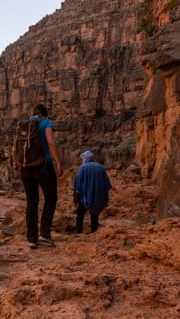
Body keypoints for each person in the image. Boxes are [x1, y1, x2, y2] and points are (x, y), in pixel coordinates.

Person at [12, 103, 63, 248]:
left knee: (31, 202)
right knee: (51, 198)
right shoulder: (46, 122)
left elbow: (14, 148)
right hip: (43, 166)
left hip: (25, 168)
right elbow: (51, 143)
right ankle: (45, 234)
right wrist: (58, 162)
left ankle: (32, 239)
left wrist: (16, 163)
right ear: (44, 113)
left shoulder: (23, 125)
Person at [72, 150, 112, 233]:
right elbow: (105, 186)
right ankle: (94, 232)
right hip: (98, 197)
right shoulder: (101, 168)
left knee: (80, 216)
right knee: (94, 216)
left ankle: (79, 232)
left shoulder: (82, 168)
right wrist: (106, 199)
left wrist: (75, 200)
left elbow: (77, 187)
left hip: (84, 198)